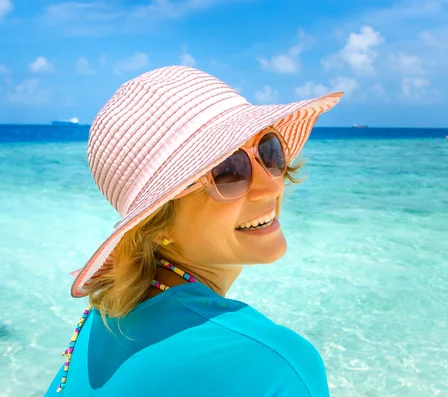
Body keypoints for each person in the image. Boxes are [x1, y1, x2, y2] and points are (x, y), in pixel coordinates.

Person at [44, 65, 343, 396]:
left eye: (268, 151)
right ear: (156, 225)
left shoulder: (101, 323)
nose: (270, 185)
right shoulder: (277, 367)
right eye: (228, 170)